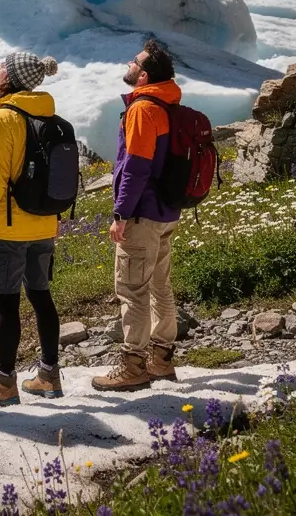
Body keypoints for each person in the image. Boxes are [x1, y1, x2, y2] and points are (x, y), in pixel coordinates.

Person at [0, 52, 63, 408]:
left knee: (6, 305)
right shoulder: (49, 115)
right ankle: (49, 375)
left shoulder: (4, 117)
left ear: (12, 77)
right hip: (44, 223)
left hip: (8, 228)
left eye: (2, 67)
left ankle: (4, 382)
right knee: (41, 297)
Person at [92, 39, 182, 392]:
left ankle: (133, 366)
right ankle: (161, 359)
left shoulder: (143, 108)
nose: (129, 64)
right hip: (166, 210)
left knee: (132, 289)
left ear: (143, 76)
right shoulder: (168, 101)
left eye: (134, 61)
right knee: (160, 285)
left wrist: (121, 214)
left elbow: (136, 167)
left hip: (142, 214)